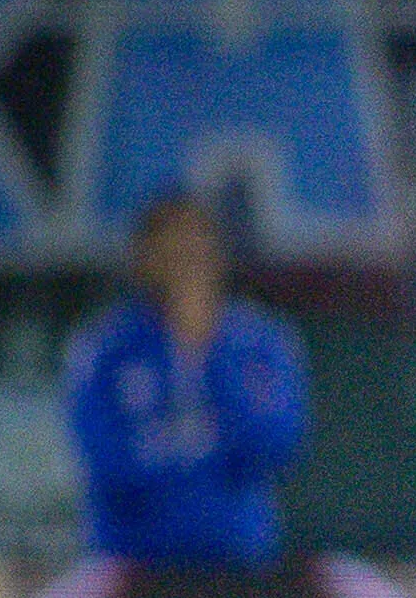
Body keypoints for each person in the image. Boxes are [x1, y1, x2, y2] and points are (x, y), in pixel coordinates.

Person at [67, 194, 309, 566]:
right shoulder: (105, 348)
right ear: (144, 260)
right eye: (172, 250)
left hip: (237, 563)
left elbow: (274, 446)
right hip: (133, 567)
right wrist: (193, 470)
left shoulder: (259, 342)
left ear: (219, 257)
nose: (185, 263)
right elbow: (105, 463)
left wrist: (210, 353)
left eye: (196, 248)